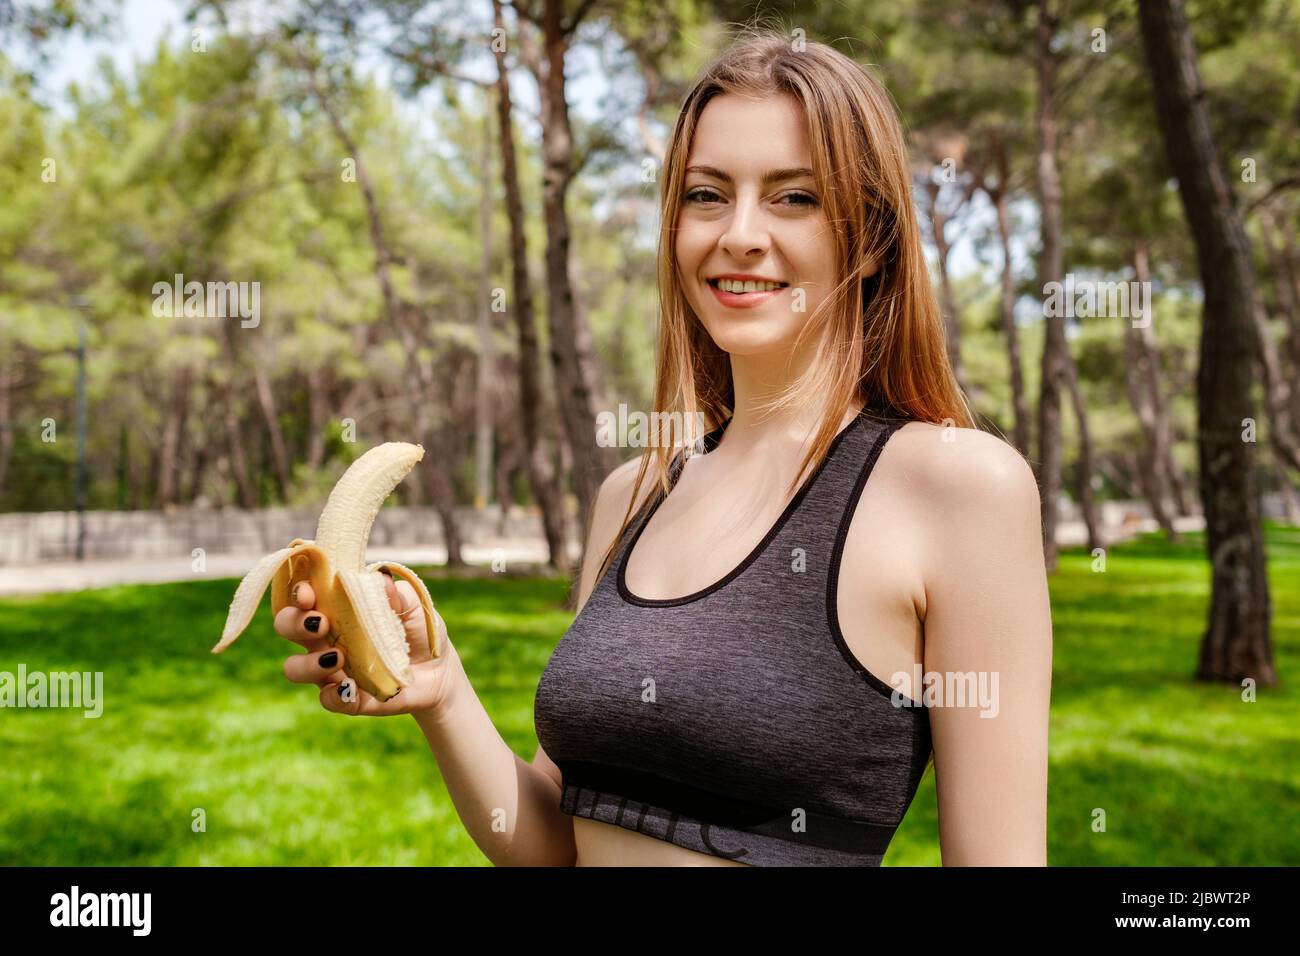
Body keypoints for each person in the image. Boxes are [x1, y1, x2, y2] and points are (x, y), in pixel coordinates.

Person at [277, 28, 1052, 867]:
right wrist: (440, 687)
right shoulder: (633, 494)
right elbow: (550, 846)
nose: (740, 235)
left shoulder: (958, 487)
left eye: (795, 198)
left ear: (867, 238)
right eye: (706, 195)